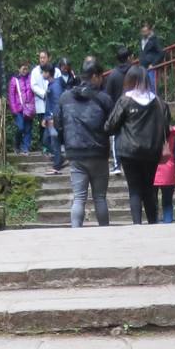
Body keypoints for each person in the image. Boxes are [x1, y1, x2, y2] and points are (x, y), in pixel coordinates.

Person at [104, 65, 171, 225]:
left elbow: (110, 126)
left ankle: (137, 224)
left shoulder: (125, 100)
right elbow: (166, 129)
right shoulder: (160, 103)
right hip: (152, 152)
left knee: (134, 189)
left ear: (129, 80)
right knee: (149, 188)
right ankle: (153, 222)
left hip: (129, 152)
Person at [53, 57, 114, 227]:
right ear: (94, 76)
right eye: (101, 76)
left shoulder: (65, 97)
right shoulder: (103, 99)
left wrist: (65, 141)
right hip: (99, 153)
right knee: (100, 197)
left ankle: (76, 232)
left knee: (79, 198)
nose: (102, 80)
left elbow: (57, 123)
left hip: (75, 153)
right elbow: (113, 124)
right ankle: (105, 232)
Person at [153, 119, 175, 224]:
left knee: (152, 202)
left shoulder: (149, 131)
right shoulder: (174, 133)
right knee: (167, 202)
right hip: (168, 170)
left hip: (151, 170)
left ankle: (153, 223)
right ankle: (168, 223)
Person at [104, 46, 131, 172]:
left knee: (116, 137)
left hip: (117, 109)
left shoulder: (113, 75)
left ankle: (117, 165)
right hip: (133, 108)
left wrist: (110, 112)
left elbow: (108, 95)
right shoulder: (135, 72)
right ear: (129, 57)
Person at [8, 63, 35, 152]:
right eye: (23, 69)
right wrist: (14, 109)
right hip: (18, 109)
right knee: (21, 128)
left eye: (26, 69)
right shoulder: (14, 80)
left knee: (28, 129)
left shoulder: (31, 78)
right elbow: (11, 95)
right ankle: (17, 144)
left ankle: (25, 148)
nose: (25, 71)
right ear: (19, 69)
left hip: (29, 108)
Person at [38, 63, 61, 169]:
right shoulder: (50, 85)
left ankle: (57, 164)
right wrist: (45, 117)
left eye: (43, 72)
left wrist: (52, 118)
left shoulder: (55, 86)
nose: (42, 74)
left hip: (53, 119)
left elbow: (56, 103)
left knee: (53, 141)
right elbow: (49, 103)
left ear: (48, 73)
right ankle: (59, 158)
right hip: (49, 118)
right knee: (46, 141)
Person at [139, 22, 163, 92]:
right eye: (142, 31)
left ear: (149, 31)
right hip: (143, 67)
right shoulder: (142, 41)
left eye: (145, 31)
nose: (144, 33)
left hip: (151, 68)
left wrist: (153, 64)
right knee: (144, 86)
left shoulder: (154, 40)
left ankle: (154, 98)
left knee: (152, 85)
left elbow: (161, 53)